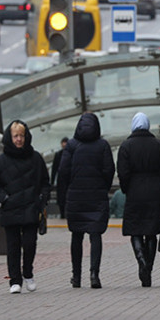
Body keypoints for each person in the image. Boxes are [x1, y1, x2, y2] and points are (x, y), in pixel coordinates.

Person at [0, 120, 50, 294]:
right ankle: (15, 280)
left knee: (30, 244)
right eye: (16, 136)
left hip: (31, 208)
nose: (19, 139)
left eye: (22, 135)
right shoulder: (1, 161)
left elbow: (45, 182)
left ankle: (28, 273)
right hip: (11, 209)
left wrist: (41, 200)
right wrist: (4, 199)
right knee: (13, 247)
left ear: (26, 136)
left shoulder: (36, 158)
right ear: (10, 137)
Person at [59, 112, 115, 289]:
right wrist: (102, 188)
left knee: (76, 236)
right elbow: (109, 171)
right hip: (96, 196)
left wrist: (67, 192)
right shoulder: (103, 145)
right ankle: (94, 275)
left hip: (76, 197)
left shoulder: (72, 146)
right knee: (95, 235)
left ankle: (76, 277)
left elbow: (63, 172)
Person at [118, 112, 160, 287]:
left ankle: (141, 260)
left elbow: (123, 173)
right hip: (155, 193)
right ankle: (148, 268)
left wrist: (126, 189)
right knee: (151, 232)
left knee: (135, 230)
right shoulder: (158, 145)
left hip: (135, 193)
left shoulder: (126, 146)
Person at [50, 137, 69, 217]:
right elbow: (54, 169)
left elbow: (54, 169)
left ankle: (63, 215)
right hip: (63, 180)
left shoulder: (59, 154)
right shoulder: (59, 154)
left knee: (64, 199)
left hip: (64, 180)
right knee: (63, 199)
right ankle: (63, 215)